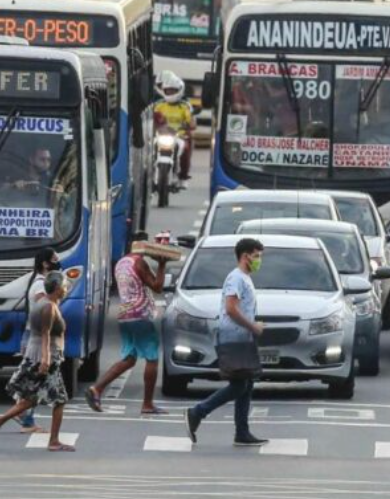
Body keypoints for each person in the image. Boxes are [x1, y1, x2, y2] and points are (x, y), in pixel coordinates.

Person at [185, 238, 268, 447]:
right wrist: (253, 327)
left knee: (247, 383)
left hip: (242, 337)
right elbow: (231, 309)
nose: (259, 261)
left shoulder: (245, 278)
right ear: (245, 255)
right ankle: (197, 412)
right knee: (239, 384)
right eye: (257, 256)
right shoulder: (236, 278)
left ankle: (242, 431)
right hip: (234, 337)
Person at [0, 271, 74, 451]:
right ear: (56, 288)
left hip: (38, 355)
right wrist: (46, 361)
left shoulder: (44, 303)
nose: (65, 290)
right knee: (59, 400)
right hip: (46, 357)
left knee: (31, 399)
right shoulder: (49, 307)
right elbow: (46, 334)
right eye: (63, 287)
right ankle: (53, 441)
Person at [85, 233, 168, 415]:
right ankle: (147, 404)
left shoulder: (121, 263)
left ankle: (96, 389)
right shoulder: (139, 262)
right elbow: (158, 287)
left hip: (124, 314)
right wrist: (162, 264)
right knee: (152, 358)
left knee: (129, 359)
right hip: (139, 314)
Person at [14, 248, 62, 434]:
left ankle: (24, 417)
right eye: (55, 259)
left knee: (34, 381)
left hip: (34, 336)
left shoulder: (40, 282)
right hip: (37, 338)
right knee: (35, 382)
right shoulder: (41, 286)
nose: (58, 261)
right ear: (45, 263)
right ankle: (22, 417)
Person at [154, 71, 195, 189]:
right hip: (161, 136)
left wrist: (190, 125)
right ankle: (149, 173)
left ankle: (183, 176)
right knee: (148, 150)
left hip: (179, 136)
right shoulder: (159, 105)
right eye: (168, 90)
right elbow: (153, 118)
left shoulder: (185, 106)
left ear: (179, 90)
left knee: (186, 150)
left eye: (173, 90)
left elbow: (191, 121)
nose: (170, 93)